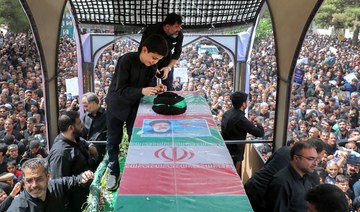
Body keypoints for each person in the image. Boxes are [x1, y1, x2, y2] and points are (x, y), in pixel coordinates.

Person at [106, 34, 168, 191]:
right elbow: (120, 90)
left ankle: (135, 170)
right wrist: (142, 90)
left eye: (157, 60)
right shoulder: (126, 60)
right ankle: (113, 171)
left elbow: (149, 86)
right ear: (144, 50)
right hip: (117, 104)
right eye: (153, 58)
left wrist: (157, 89)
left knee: (136, 138)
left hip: (135, 106)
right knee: (114, 140)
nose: (155, 62)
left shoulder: (152, 66)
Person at [47, 111, 98, 211]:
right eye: (79, 123)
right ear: (71, 128)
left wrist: (90, 145)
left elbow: (81, 141)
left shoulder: (75, 138)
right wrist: (80, 179)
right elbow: (59, 184)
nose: (82, 125)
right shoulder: (60, 154)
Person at [7, 158, 94, 212]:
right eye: (29, 180)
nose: (34, 185)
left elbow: (77, 180)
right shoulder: (18, 208)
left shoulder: (56, 186)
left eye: (39, 179)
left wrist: (85, 176)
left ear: (48, 176)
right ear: (23, 180)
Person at [265, 142, 320, 212]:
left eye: (316, 159)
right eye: (311, 159)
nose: (315, 163)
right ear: (296, 158)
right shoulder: (281, 182)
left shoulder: (307, 177)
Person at [221, 91, 264, 174]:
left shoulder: (226, 114)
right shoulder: (241, 119)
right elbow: (259, 133)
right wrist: (259, 123)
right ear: (243, 104)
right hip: (235, 154)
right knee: (234, 174)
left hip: (225, 150)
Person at [139, 12, 183, 91]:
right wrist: (152, 67)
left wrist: (168, 68)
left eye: (180, 27)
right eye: (176, 27)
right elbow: (142, 50)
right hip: (150, 60)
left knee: (168, 87)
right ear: (167, 26)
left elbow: (177, 53)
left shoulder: (179, 34)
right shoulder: (152, 30)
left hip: (167, 60)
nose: (179, 29)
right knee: (150, 86)